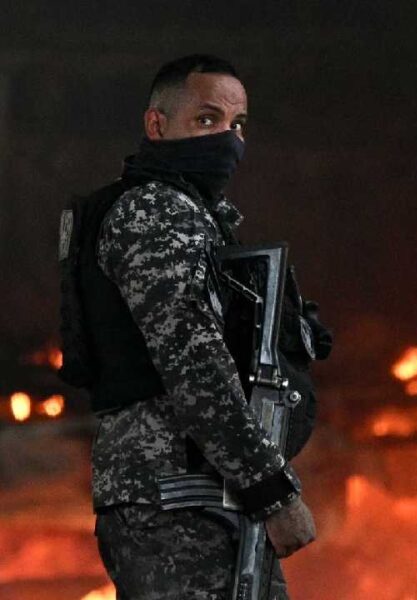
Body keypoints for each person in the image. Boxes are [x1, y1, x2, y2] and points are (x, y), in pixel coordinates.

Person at [58, 54, 332, 600]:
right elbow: (197, 369)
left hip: (195, 496)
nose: (228, 139)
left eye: (237, 124)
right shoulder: (155, 213)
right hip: (177, 501)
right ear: (157, 125)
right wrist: (273, 493)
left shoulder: (190, 213)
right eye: (207, 120)